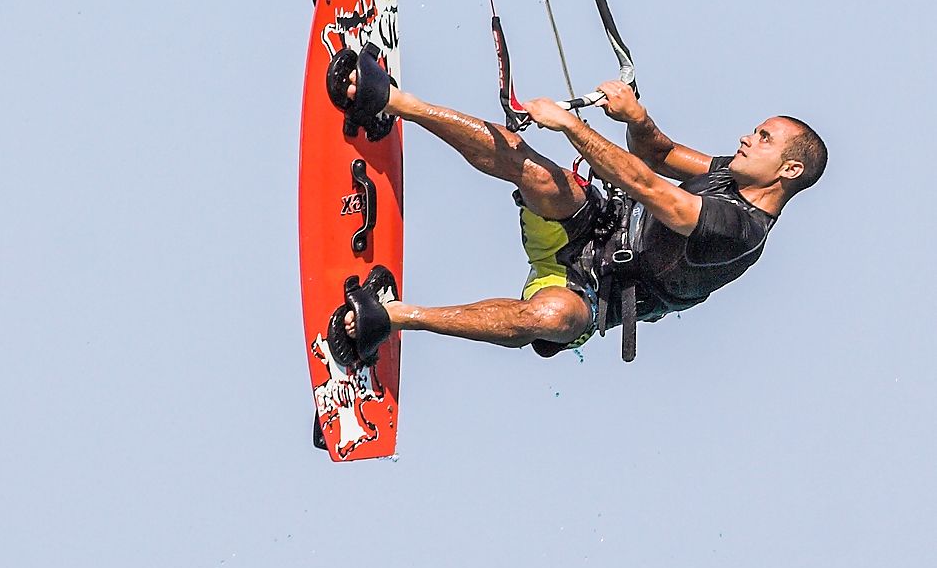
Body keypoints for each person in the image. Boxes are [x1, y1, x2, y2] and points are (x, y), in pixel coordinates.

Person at [324, 46, 827, 364]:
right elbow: (658, 153)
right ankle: (389, 101)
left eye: (762, 138)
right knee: (542, 176)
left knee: (551, 320)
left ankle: (392, 317)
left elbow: (650, 187)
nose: (745, 137)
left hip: (595, 291)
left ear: (789, 170)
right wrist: (636, 115)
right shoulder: (728, 173)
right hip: (594, 225)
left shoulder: (739, 230)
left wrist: (573, 126)